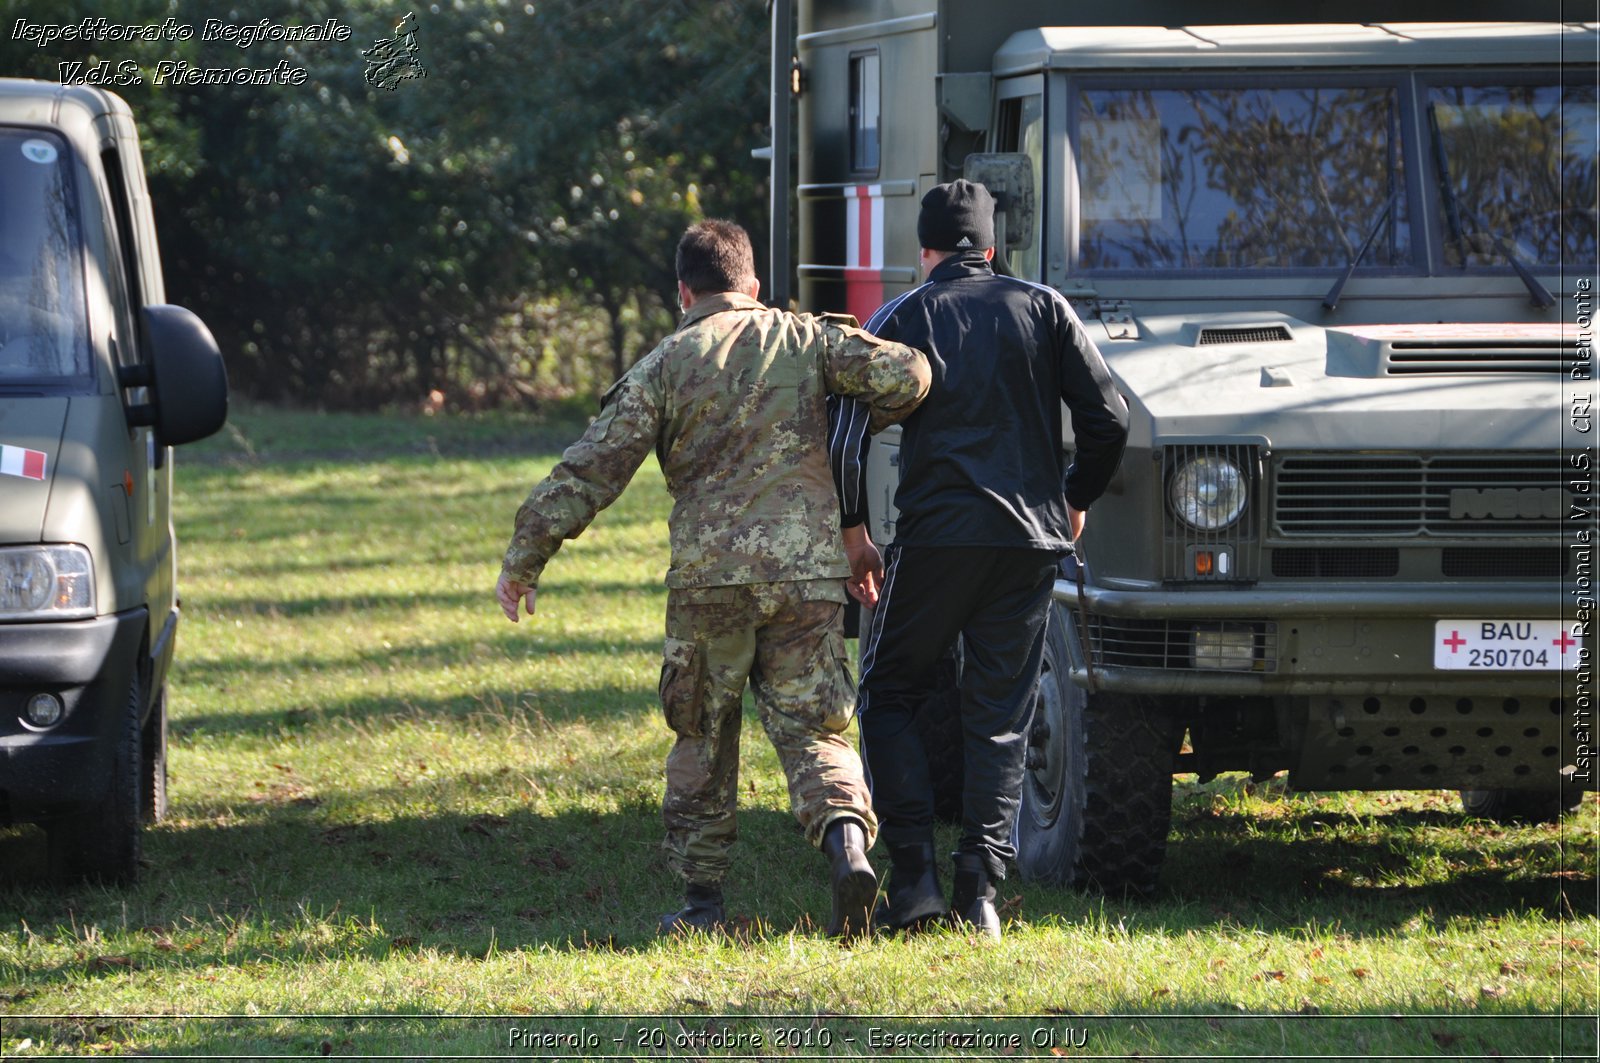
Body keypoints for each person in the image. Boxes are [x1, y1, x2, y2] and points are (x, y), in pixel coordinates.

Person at [495, 219, 930, 939]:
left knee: (701, 731)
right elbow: (909, 374)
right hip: (807, 575)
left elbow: (592, 467)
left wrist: (526, 556)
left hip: (711, 583)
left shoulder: (666, 363)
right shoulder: (806, 338)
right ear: (753, 285)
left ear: (682, 292)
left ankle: (703, 906)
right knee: (816, 726)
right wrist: (855, 411)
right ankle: (847, 844)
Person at [851, 180, 1129, 939]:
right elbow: (1110, 416)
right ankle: (980, 893)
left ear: (926, 249)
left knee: (890, 693)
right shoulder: (1044, 306)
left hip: (938, 539)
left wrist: (853, 529)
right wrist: (1075, 495)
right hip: (1029, 543)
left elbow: (846, 426)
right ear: (994, 246)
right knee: (1001, 715)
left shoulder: (904, 314)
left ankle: (914, 883)